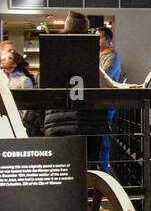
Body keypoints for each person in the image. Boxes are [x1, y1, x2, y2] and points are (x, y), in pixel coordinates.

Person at [43, 11, 139, 171]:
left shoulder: (51, 57)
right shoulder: (88, 59)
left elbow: (43, 88)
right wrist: (133, 87)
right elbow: (109, 85)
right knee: (87, 172)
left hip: (57, 126)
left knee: (61, 172)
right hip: (89, 125)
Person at [96, 27, 122, 171]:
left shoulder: (112, 56)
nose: (96, 40)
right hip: (99, 103)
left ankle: (104, 171)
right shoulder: (99, 55)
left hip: (107, 103)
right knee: (100, 138)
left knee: (104, 139)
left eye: (99, 37)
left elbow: (101, 78)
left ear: (108, 40)